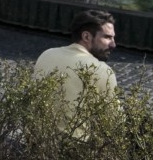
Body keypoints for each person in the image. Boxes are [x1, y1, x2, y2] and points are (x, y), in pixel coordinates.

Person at [31, 10, 118, 140]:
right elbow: (112, 121)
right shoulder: (102, 70)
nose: (113, 44)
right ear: (86, 37)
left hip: (33, 139)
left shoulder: (47, 54)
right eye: (107, 37)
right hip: (72, 148)